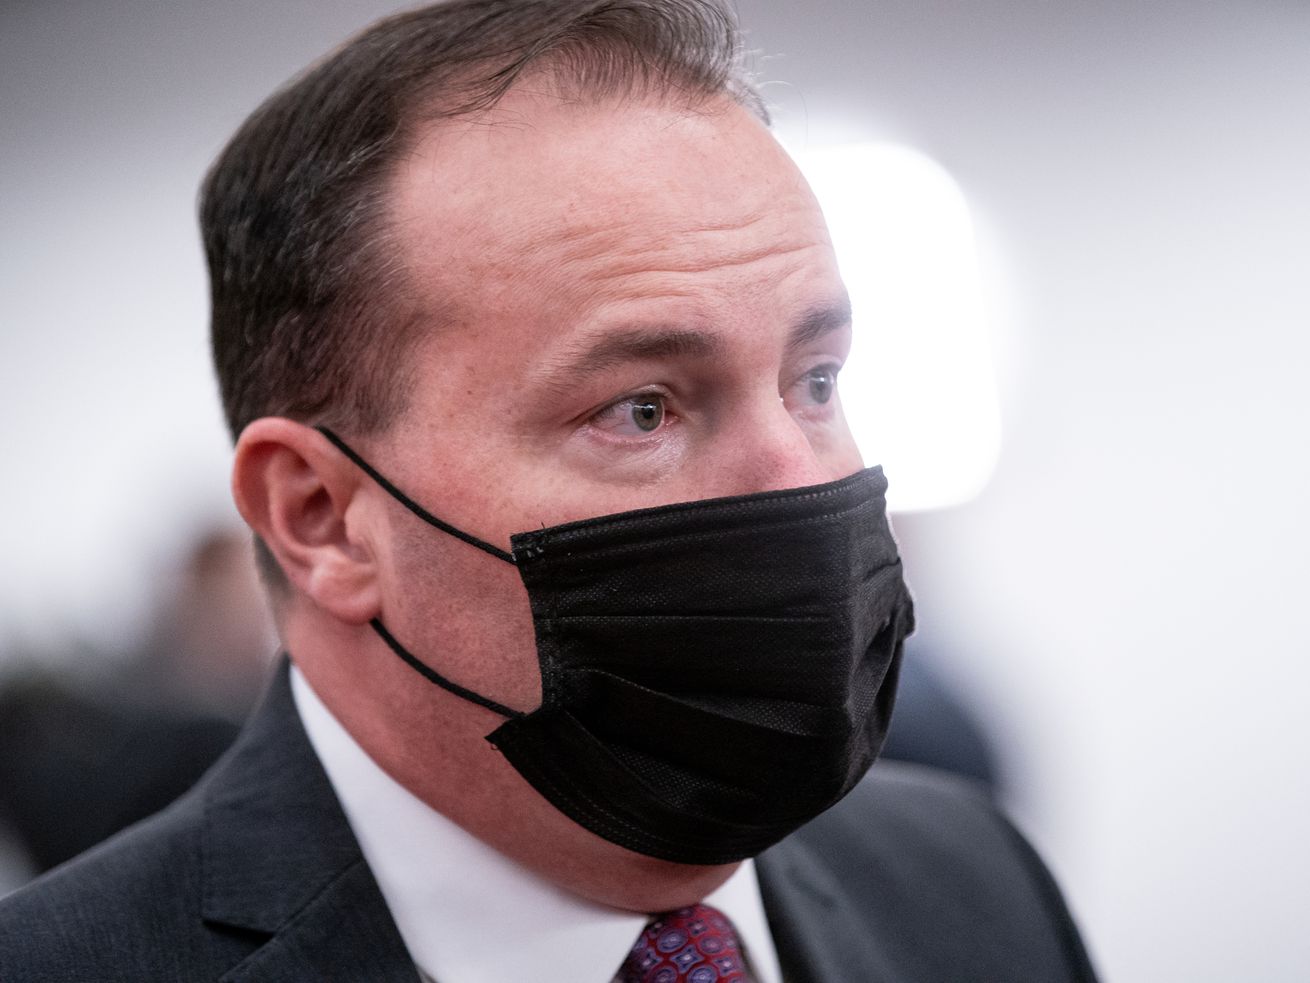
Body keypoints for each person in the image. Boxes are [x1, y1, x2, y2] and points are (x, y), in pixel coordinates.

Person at [0, 1, 1097, 979]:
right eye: (642, 408)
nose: (802, 477)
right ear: (321, 518)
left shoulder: (974, 884)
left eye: (814, 380)